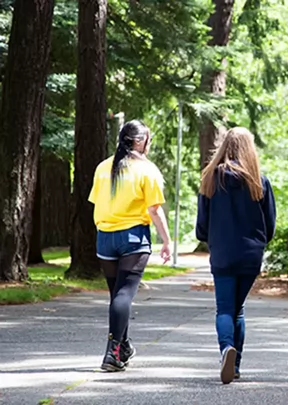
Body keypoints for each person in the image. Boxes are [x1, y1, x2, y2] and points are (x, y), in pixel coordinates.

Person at [89, 120, 172, 372]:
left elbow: (96, 202)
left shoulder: (104, 167)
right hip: (132, 237)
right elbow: (154, 211)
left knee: (117, 296)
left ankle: (122, 347)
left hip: (105, 237)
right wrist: (167, 241)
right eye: (148, 139)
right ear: (141, 141)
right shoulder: (147, 170)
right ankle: (112, 352)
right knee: (124, 295)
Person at [196, 128, 276, 385]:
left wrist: (210, 238)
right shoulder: (259, 181)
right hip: (250, 254)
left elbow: (202, 225)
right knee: (238, 309)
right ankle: (236, 364)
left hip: (222, 253)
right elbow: (270, 224)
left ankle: (226, 349)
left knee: (225, 309)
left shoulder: (210, 179)